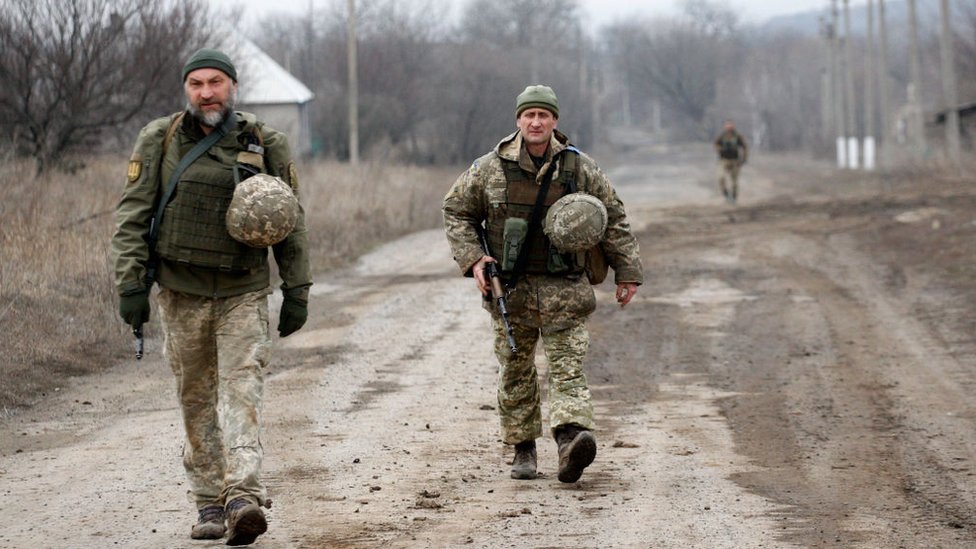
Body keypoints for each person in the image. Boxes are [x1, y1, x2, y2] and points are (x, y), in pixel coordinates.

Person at [111, 48, 311, 546]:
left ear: (233, 87)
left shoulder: (266, 142)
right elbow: (132, 216)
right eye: (196, 83)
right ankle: (207, 501)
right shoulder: (160, 139)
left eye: (215, 82)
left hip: (242, 291)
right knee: (196, 398)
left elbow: (291, 221)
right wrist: (130, 283)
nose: (206, 92)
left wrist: (297, 289)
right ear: (187, 88)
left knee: (242, 392)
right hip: (181, 293)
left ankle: (243, 495)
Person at [442, 85, 643, 483]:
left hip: (565, 288)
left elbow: (613, 216)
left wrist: (628, 270)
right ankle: (523, 448)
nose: (536, 122)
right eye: (529, 115)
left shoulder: (578, 168)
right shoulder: (489, 168)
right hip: (510, 291)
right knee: (516, 369)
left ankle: (570, 439)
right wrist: (473, 259)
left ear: (555, 121)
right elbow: (456, 211)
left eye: (544, 116)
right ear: (518, 120)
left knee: (567, 368)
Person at [714, 119, 748, 203]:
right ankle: (726, 194)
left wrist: (744, 158)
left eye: (730, 125)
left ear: (733, 126)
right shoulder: (722, 136)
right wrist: (720, 149)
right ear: (725, 126)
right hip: (724, 160)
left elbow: (745, 147)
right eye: (727, 125)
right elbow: (716, 144)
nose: (729, 126)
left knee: (734, 181)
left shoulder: (737, 136)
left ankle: (734, 197)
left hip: (735, 160)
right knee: (721, 177)